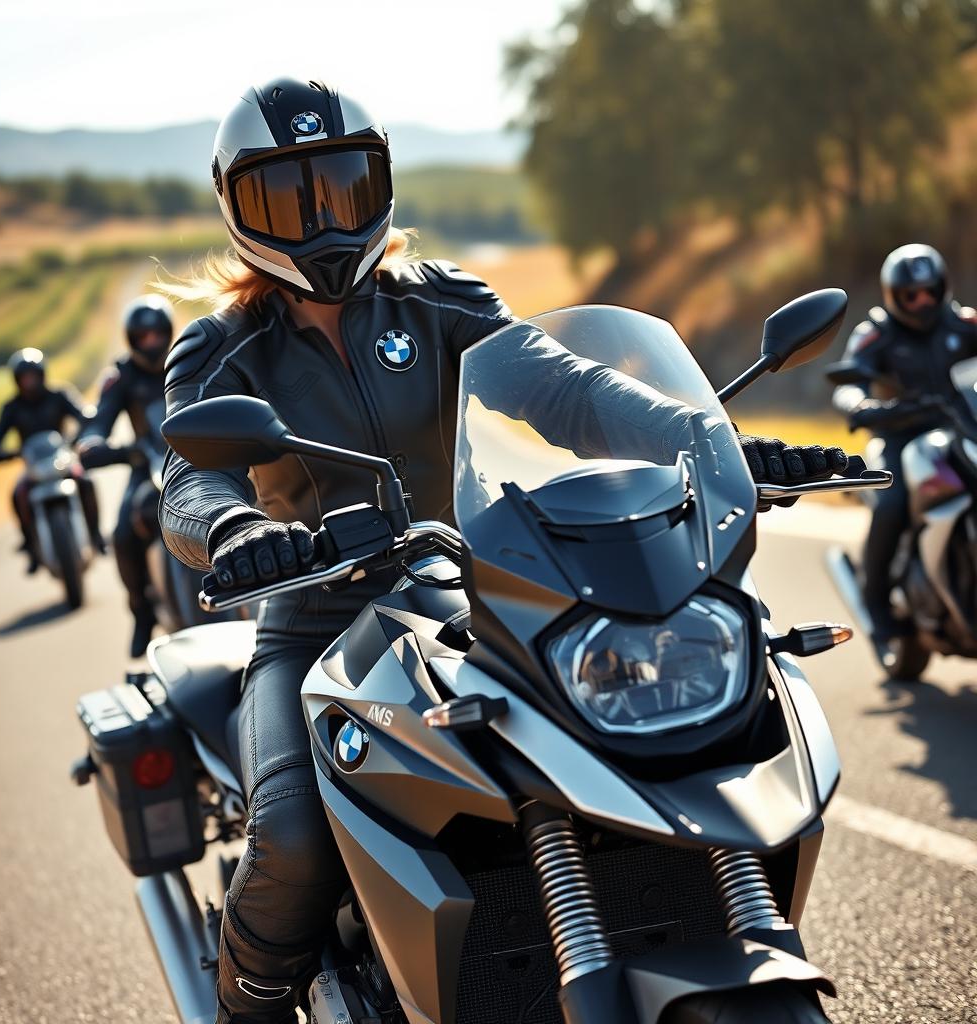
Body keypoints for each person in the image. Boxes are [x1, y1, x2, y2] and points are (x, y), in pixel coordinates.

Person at [158, 78, 850, 1024]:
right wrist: (237, 531)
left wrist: (702, 437)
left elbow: (570, 390)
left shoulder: (438, 302)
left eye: (343, 185)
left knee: (646, 731)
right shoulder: (221, 348)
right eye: (288, 195)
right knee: (290, 840)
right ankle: (252, 1008)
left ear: (381, 184)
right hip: (319, 624)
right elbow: (190, 478)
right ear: (239, 207)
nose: (321, 216)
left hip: (473, 597)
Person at [832, 243, 977, 646]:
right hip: (898, 438)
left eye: (930, 291)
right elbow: (849, 384)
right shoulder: (875, 334)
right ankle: (875, 601)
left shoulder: (964, 324)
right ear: (894, 296)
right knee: (893, 502)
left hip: (961, 431)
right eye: (911, 295)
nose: (923, 301)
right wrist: (861, 405)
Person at [78, 297, 173, 657]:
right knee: (121, 535)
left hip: (200, 457)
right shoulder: (121, 377)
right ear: (132, 339)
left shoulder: (187, 358)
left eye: (156, 334)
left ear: (167, 333)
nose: (150, 342)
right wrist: (93, 442)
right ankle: (142, 613)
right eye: (142, 336)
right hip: (145, 464)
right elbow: (98, 422)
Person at [0, 347, 102, 573]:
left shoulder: (59, 395)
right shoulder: (11, 408)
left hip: (63, 460)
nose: (30, 382)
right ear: (17, 381)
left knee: (86, 482)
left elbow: (82, 414)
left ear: (42, 374)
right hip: (33, 467)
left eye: (33, 376)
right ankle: (32, 547)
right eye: (24, 378)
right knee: (18, 494)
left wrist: (85, 428)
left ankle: (96, 535)